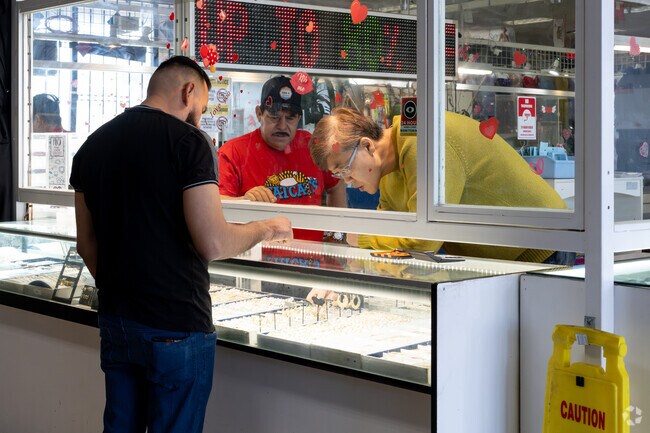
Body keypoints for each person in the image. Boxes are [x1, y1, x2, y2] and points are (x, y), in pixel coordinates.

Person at [69, 56, 292, 433]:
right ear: (189, 91)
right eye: (201, 109)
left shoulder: (92, 146)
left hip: (117, 322)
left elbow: (86, 245)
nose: (200, 120)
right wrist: (265, 228)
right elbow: (213, 241)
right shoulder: (190, 143)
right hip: (176, 325)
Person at [309, 107, 568, 263]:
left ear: (367, 145)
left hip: (541, 247)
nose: (348, 182)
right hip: (501, 258)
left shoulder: (421, 142)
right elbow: (389, 225)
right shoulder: (387, 169)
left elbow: (425, 239)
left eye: (345, 169)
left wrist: (358, 239)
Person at [218, 75, 346, 242]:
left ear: (299, 118)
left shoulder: (312, 146)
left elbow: (336, 184)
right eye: (274, 116)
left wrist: (336, 236)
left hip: (311, 259)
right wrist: (244, 201)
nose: (282, 125)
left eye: (290, 118)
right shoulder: (232, 153)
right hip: (258, 261)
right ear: (259, 114)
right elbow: (214, 203)